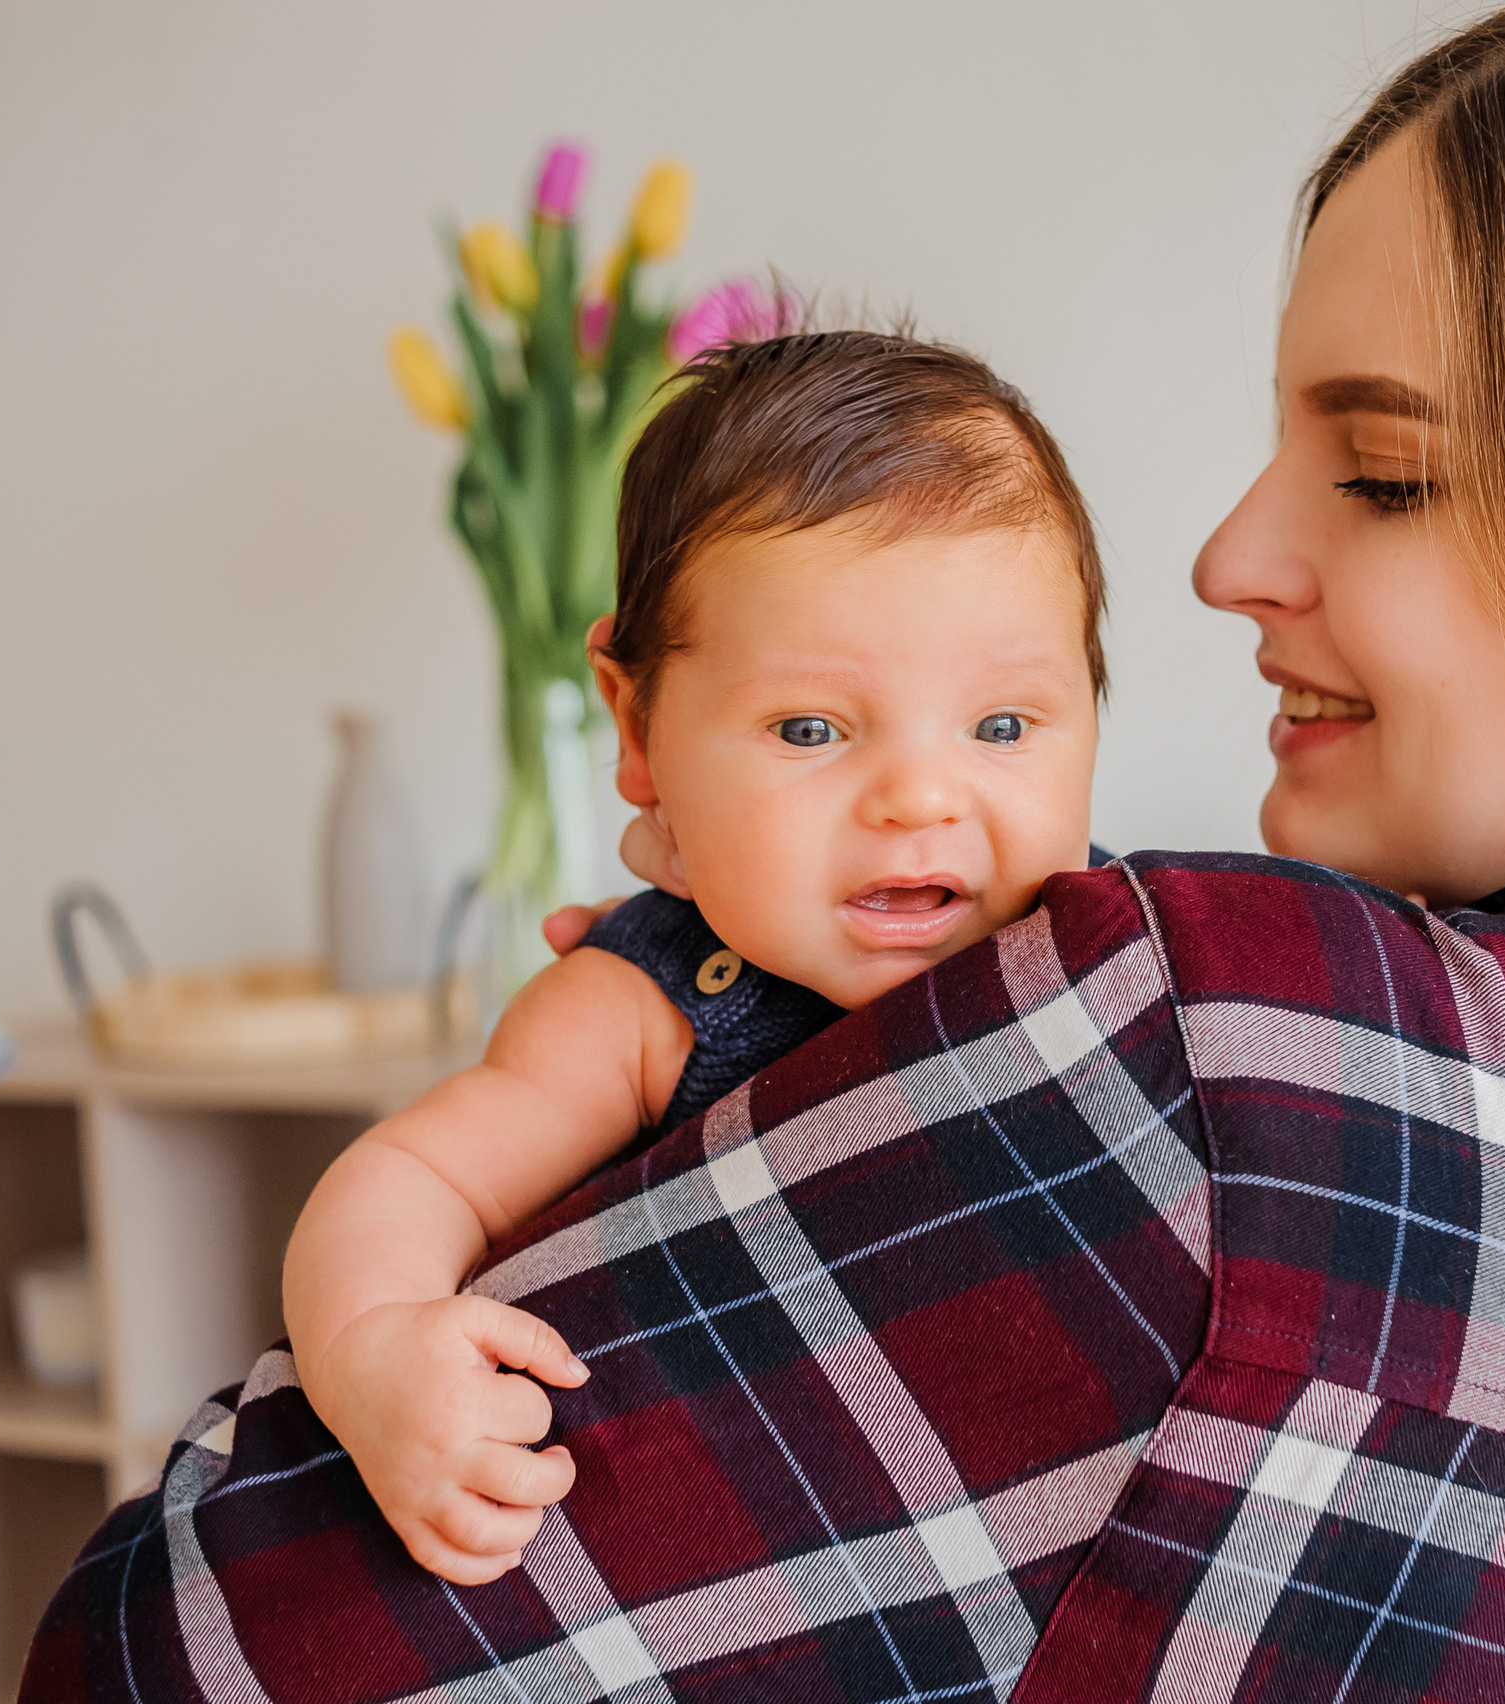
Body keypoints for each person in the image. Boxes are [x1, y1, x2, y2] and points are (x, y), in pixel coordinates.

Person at [23, 2, 1505, 1699]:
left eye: (1378, 475)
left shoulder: (1229, 1053)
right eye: (815, 728)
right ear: (640, 719)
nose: (1224, 556)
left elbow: (165, 1652)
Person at [278, 329, 1113, 1586]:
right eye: (811, 727)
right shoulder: (639, 1007)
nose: (920, 798)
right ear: (640, 729)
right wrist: (378, 1352)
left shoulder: (1120, 948)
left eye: (1002, 724)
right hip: (752, 1547)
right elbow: (411, 1177)